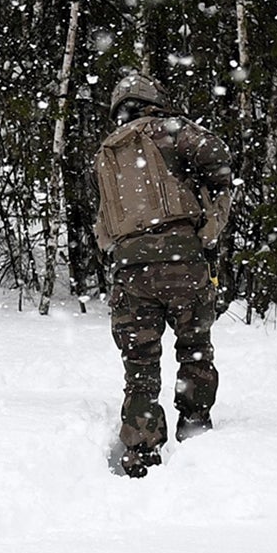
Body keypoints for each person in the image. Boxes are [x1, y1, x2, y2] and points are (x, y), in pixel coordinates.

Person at [92, 72, 234, 477]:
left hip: (129, 269)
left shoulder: (105, 152)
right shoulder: (171, 131)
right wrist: (210, 215)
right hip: (183, 261)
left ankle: (140, 451)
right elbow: (217, 154)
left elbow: (102, 217)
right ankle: (194, 429)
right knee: (194, 348)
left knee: (139, 366)